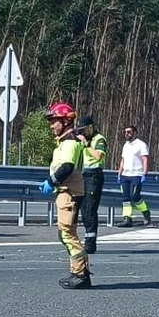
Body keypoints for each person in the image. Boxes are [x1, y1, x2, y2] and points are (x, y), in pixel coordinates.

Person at [37, 103, 91, 288]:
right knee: (66, 234)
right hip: (65, 192)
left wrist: (51, 181)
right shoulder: (65, 142)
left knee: (67, 234)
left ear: (66, 120)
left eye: (54, 121)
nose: (51, 125)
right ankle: (80, 273)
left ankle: (80, 275)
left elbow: (67, 167)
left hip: (70, 193)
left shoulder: (70, 142)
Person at [77, 115, 107, 253]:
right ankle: (86, 239)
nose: (82, 132)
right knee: (83, 209)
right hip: (83, 175)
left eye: (84, 129)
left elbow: (98, 156)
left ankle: (90, 243)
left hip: (94, 175)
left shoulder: (98, 139)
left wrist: (86, 144)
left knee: (89, 209)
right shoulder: (84, 140)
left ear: (90, 127)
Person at [118, 124, 151, 226]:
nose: (127, 134)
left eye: (129, 132)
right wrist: (119, 173)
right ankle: (127, 219)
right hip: (125, 174)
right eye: (125, 132)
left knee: (135, 197)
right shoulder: (125, 145)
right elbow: (123, 160)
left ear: (134, 133)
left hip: (136, 174)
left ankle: (146, 214)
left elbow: (145, 159)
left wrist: (144, 173)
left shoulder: (141, 144)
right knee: (125, 198)